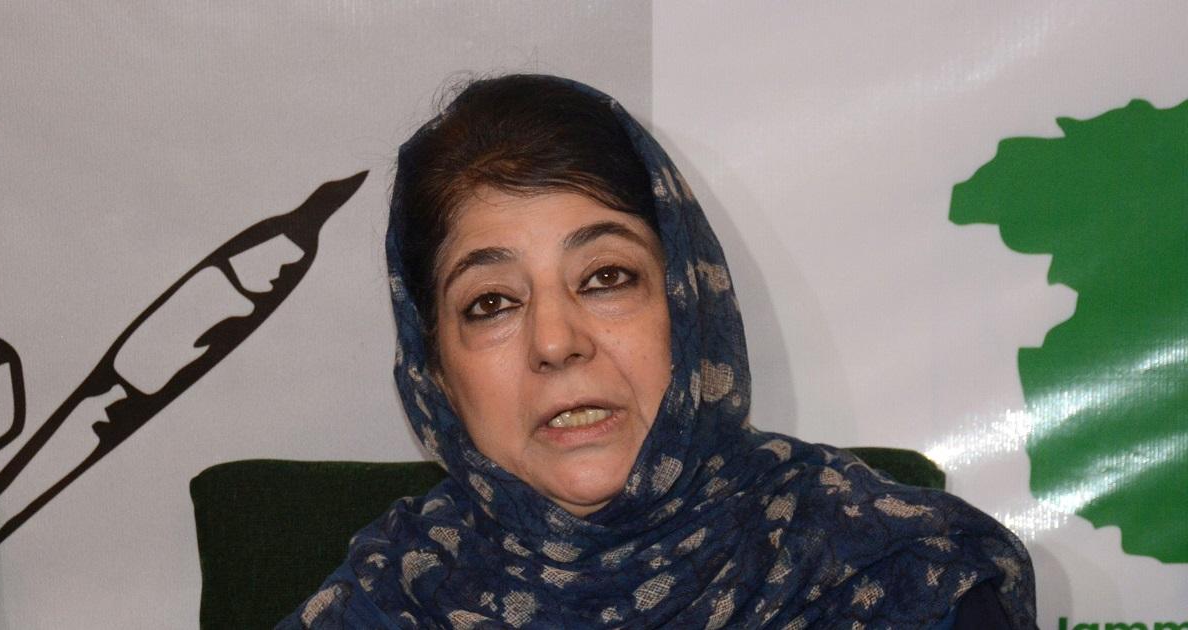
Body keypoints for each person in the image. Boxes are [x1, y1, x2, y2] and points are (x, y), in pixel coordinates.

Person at [278, 75, 1036, 629]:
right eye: (492, 303)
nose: (556, 342)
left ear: (689, 306)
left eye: (605, 278)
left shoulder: (895, 579)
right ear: (436, 371)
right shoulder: (389, 599)